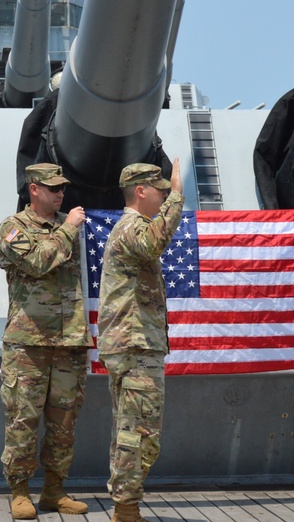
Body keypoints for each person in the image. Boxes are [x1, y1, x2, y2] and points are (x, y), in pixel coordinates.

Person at [0, 163, 90, 519]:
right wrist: (68, 229)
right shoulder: (11, 228)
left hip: (69, 341)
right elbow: (37, 261)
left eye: (63, 187)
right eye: (53, 188)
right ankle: (20, 491)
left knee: (64, 422)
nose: (60, 193)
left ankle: (54, 490)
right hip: (28, 343)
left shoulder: (71, 224)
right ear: (34, 189)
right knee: (24, 418)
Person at [98, 160, 184, 522]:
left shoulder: (133, 227)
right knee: (139, 430)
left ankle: (126, 505)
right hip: (134, 345)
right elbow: (154, 243)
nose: (164, 194)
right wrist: (178, 197)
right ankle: (126, 509)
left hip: (136, 344)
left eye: (167, 189)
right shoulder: (133, 228)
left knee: (134, 428)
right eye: (160, 189)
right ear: (140, 191)